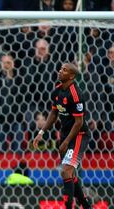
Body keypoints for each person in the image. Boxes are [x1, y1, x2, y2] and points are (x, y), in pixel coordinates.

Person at [33, 63, 91, 209]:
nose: (60, 71)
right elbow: (54, 113)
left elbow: (79, 122)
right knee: (69, 175)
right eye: (60, 68)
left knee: (65, 171)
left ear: (71, 76)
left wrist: (65, 142)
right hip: (65, 134)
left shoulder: (76, 94)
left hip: (78, 135)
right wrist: (41, 132)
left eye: (64, 70)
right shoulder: (57, 91)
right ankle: (86, 206)